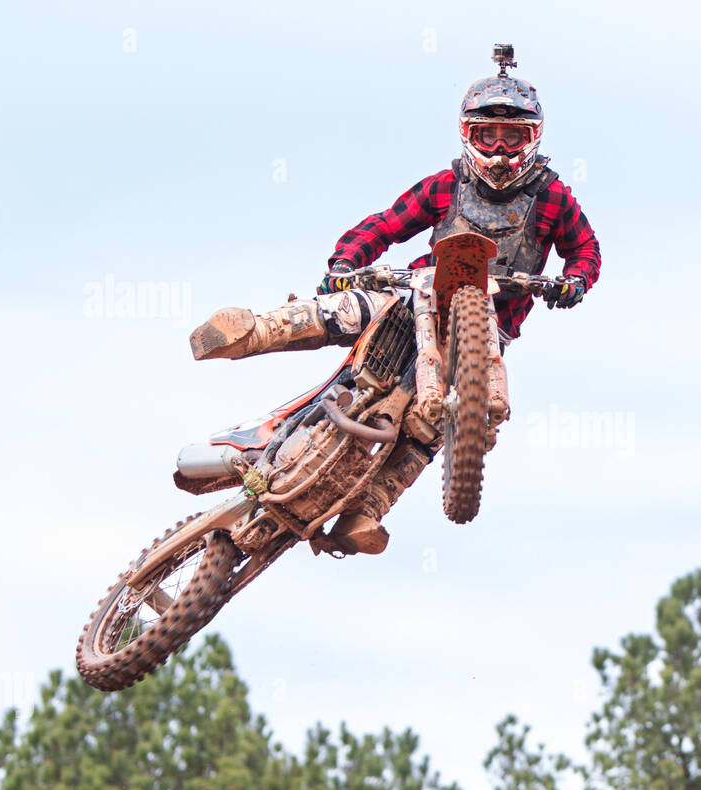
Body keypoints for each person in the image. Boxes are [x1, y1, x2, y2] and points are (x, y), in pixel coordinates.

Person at [187, 45, 601, 555]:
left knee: (436, 426)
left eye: (510, 136)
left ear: (531, 138)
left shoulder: (552, 196)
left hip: (490, 329)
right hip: (417, 297)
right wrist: (344, 263)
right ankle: (249, 331)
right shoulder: (448, 184)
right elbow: (387, 224)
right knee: (350, 306)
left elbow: (585, 248)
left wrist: (574, 280)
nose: (497, 148)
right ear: (467, 134)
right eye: (485, 135)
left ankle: (366, 513)